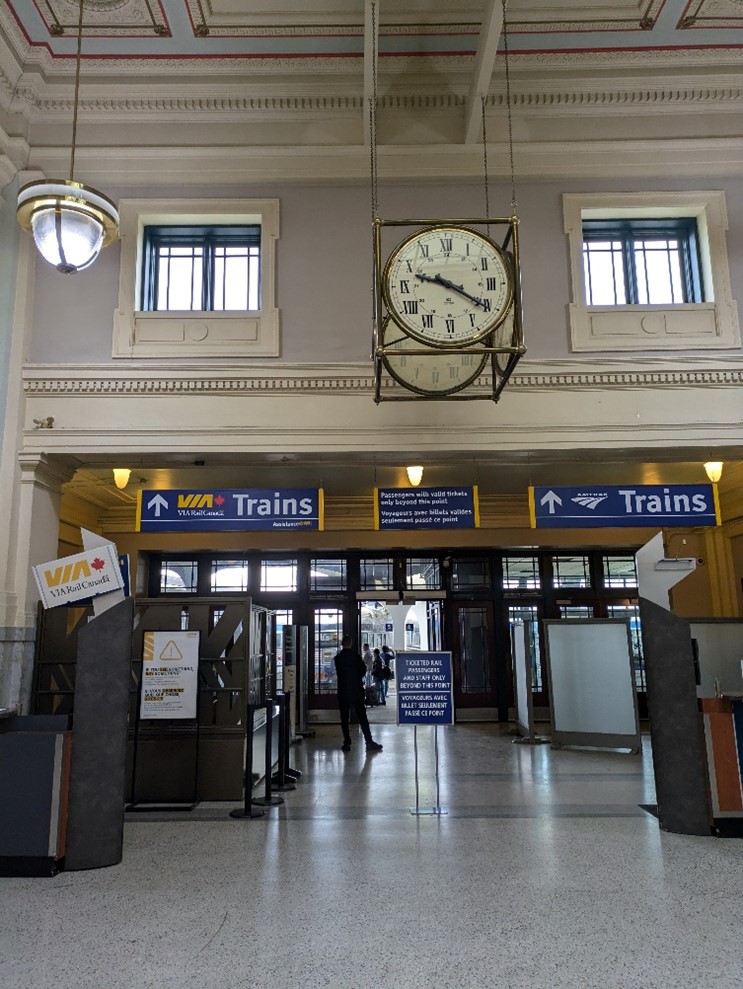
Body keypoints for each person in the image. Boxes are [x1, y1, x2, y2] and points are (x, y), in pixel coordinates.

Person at [334, 635, 383, 753]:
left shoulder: (338, 658)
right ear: (351, 644)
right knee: (362, 717)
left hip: (343, 692)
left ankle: (347, 742)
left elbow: (339, 673)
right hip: (356, 691)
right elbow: (363, 670)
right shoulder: (356, 657)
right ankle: (369, 741)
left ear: (342, 644)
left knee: (344, 718)